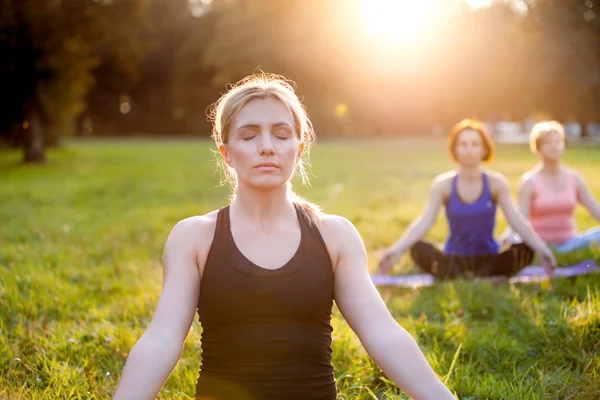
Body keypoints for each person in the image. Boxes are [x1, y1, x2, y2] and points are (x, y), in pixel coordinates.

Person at [112, 73, 456, 400]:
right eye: (249, 136)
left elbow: (383, 334)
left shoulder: (335, 236)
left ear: (299, 147)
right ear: (226, 153)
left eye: (280, 134)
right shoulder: (194, 238)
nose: (266, 147)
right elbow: (161, 340)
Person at [378, 119, 557, 280]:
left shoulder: (496, 183)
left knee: (525, 249)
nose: (469, 149)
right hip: (454, 259)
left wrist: (542, 249)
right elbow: (425, 221)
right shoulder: (443, 185)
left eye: (474, 144)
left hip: (490, 258)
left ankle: (475, 276)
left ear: (483, 149)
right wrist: (396, 250)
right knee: (417, 249)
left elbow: (517, 220)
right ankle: (478, 278)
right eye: (463, 144)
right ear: (455, 149)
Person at [501, 121, 600, 254]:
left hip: (572, 245)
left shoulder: (574, 178)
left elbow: (595, 209)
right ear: (538, 148)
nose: (554, 146)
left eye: (558, 142)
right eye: (548, 143)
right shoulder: (530, 182)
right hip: (538, 247)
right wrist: (509, 234)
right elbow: (520, 218)